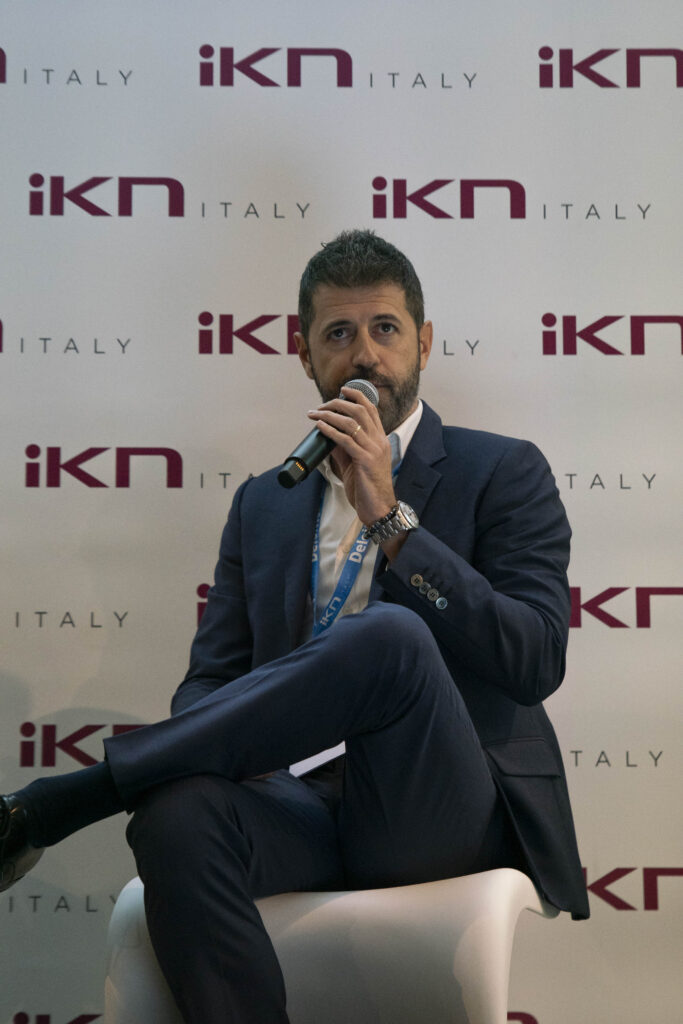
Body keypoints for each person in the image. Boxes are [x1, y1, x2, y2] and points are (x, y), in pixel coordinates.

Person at [1, 230, 589, 1023]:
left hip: (435, 801)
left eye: (385, 329)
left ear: (422, 344)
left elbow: (534, 657)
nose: (364, 354)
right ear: (304, 355)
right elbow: (211, 680)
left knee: (389, 636)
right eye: (337, 333)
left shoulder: (503, 470)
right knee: (176, 817)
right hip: (297, 805)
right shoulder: (265, 501)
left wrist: (391, 521)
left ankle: (63, 802)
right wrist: (230, 754)